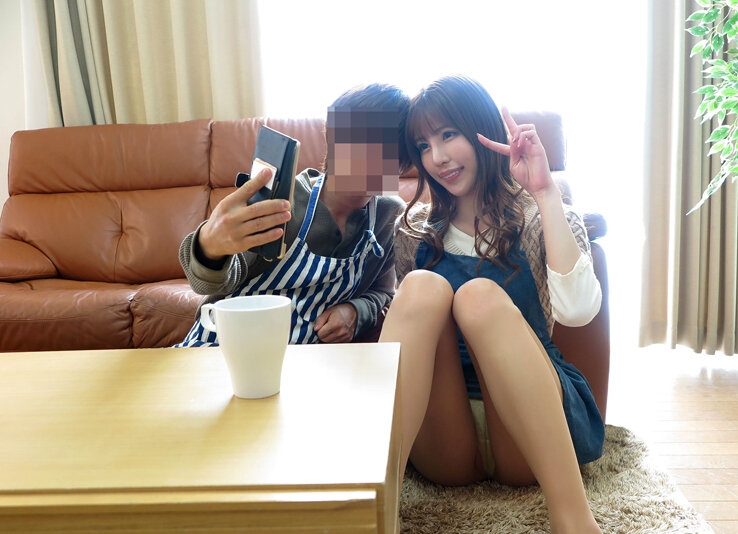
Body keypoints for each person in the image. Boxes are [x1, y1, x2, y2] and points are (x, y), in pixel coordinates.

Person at [379, 76, 604, 534]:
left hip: (531, 427)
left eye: (448, 135)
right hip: (446, 436)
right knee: (420, 287)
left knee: (478, 296)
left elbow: (579, 311)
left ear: (482, 129)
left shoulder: (539, 215)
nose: (437, 157)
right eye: (423, 145)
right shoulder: (413, 229)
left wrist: (546, 194)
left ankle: (575, 523)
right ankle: (376, 510)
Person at [176, 83, 410, 346]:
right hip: (222, 349)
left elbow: (382, 292)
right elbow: (209, 283)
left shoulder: (389, 216)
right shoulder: (282, 198)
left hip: (304, 362)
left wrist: (355, 312)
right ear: (332, 137)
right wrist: (209, 247)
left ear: (402, 164)